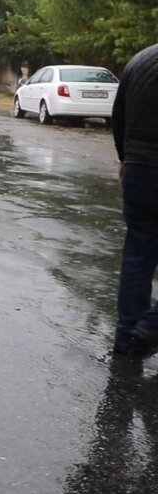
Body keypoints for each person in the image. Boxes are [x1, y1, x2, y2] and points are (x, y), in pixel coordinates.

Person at [108, 43, 158, 356]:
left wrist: (126, 157)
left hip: (139, 169)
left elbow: (118, 116)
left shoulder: (140, 59)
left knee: (138, 255)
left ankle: (127, 336)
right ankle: (150, 326)